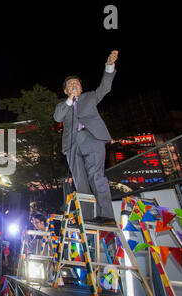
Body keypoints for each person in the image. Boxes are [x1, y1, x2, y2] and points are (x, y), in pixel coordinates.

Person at [54, 50, 119, 226]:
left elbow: (105, 87)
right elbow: (57, 118)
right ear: (66, 90)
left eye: (76, 83)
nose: (74, 84)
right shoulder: (63, 105)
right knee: (80, 183)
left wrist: (109, 66)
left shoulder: (90, 96)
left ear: (81, 88)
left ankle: (107, 216)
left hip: (92, 139)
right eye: (70, 84)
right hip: (71, 145)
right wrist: (69, 100)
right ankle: (88, 219)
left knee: (96, 176)